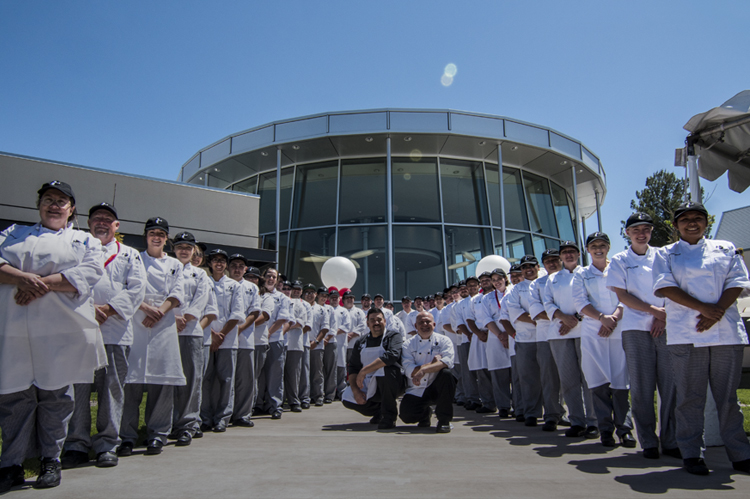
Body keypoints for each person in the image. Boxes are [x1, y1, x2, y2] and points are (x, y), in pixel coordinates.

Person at [0, 181, 105, 491]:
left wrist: (35, 284)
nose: (55, 205)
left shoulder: (83, 240)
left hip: (60, 332)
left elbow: (88, 273)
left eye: (62, 201)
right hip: (15, 331)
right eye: (48, 199)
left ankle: (50, 460)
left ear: (71, 209)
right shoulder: (12, 233)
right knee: (14, 399)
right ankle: (11, 464)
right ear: (39, 204)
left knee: (56, 399)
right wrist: (22, 278)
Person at [653, 202, 750, 475]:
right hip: (686, 334)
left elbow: (737, 281)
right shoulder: (666, 253)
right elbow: (665, 286)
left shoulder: (726, 248)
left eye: (698, 218)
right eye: (685, 220)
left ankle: (740, 454)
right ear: (676, 226)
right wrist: (704, 309)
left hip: (725, 333)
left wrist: (715, 312)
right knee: (689, 398)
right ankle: (692, 454)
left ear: (707, 222)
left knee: (727, 399)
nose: (692, 223)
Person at [62, 203, 146, 469]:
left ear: (116, 226)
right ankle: (76, 443)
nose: (102, 222)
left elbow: (136, 289)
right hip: (81, 330)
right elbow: (66, 281)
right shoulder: (76, 247)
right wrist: (88, 311)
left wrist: (108, 310)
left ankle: (107, 444)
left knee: (111, 391)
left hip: (115, 331)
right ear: (88, 222)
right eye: (97, 218)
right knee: (78, 390)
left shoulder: (129, 254)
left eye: (108, 219)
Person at [608, 213, 679, 459]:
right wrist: (652, 311)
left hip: (666, 326)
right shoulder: (619, 260)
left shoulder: (664, 255)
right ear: (627, 233)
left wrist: (663, 316)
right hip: (636, 328)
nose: (641, 233)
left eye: (646, 229)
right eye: (636, 229)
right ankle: (648, 440)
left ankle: (670, 440)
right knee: (641, 387)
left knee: (670, 386)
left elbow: (675, 287)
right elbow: (622, 296)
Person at [120, 217, 186, 457]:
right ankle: (126, 436)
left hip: (164, 324)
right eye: (152, 233)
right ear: (145, 236)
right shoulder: (134, 258)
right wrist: (146, 309)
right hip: (137, 321)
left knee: (162, 383)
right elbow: (127, 286)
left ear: (166, 238)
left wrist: (160, 312)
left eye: (160, 233)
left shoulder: (175, 264)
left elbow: (178, 293)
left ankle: (157, 434)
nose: (156, 237)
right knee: (131, 383)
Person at [573, 232, 634, 448]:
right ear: (588, 250)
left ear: (608, 247)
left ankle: (625, 429)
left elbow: (626, 296)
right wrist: (601, 319)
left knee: (620, 382)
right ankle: (605, 430)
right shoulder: (581, 275)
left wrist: (614, 318)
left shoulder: (618, 268)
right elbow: (580, 303)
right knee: (598, 383)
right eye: (593, 246)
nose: (598, 249)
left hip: (618, 330)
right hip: (593, 332)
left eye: (602, 245)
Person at [543, 240, 598, 439]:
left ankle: (594, 422)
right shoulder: (553, 278)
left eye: (572, 251)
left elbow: (593, 299)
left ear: (578, 254)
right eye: (565, 252)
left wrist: (575, 319)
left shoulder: (587, 273)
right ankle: (577, 421)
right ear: (561, 256)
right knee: (568, 380)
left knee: (589, 379)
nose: (568, 255)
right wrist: (563, 317)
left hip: (585, 331)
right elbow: (547, 302)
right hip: (560, 333)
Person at [171, 233, 216, 445]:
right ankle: (168, 423)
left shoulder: (200, 275)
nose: (184, 251)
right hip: (166, 330)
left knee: (191, 381)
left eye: (188, 248)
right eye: (180, 246)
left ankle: (188, 424)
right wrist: (172, 317)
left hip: (190, 332)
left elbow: (201, 302)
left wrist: (186, 318)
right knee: (167, 381)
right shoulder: (167, 268)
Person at [200, 249, 245, 432]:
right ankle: (204, 417)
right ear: (210, 263)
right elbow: (201, 310)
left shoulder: (235, 286)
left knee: (226, 379)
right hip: (206, 337)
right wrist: (212, 335)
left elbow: (236, 314)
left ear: (225, 265)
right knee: (205, 379)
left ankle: (222, 418)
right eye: (215, 260)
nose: (219, 264)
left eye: (222, 261)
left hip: (228, 339)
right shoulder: (204, 282)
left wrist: (221, 336)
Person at [342, 308, 403, 429]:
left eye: (379, 320)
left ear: (385, 321)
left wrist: (364, 371)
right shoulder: (361, 341)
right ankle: (378, 411)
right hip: (368, 383)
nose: (376, 323)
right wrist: (356, 391)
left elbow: (392, 356)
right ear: (367, 323)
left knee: (386, 370)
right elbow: (353, 367)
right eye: (372, 320)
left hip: (391, 382)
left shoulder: (393, 336)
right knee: (347, 397)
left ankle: (389, 417)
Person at [528, 250, 566, 431]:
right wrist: (564, 319)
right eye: (548, 261)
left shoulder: (572, 277)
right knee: (549, 377)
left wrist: (569, 319)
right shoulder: (536, 284)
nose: (552, 263)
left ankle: (574, 415)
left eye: (555, 260)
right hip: (545, 336)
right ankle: (551, 414)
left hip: (572, 333)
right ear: (542, 265)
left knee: (572, 378)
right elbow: (536, 312)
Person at [399, 311, 456, 433]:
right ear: (415, 326)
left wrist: (423, 370)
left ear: (434, 324)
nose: (425, 324)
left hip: (437, 387)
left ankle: (444, 420)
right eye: (421, 322)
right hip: (417, 388)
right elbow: (410, 369)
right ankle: (425, 414)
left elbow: (447, 362)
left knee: (447, 374)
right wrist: (432, 364)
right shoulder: (408, 345)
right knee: (406, 416)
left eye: (428, 322)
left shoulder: (444, 341)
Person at [254, 268, 292, 419]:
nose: (270, 279)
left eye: (273, 277)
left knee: (275, 375)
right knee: (259, 375)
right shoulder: (258, 294)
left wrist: (268, 333)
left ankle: (275, 405)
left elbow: (282, 319)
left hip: (275, 340)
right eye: (268, 276)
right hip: (256, 341)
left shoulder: (283, 298)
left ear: (277, 280)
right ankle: (257, 404)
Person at [475, 269, 513, 418]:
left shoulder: (512, 292)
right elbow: (486, 319)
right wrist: (501, 336)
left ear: (505, 279)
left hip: (514, 333)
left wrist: (509, 334)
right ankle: (503, 406)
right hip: (495, 336)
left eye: (499, 279)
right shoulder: (487, 298)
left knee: (517, 373)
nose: (497, 282)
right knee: (499, 373)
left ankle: (519, 405)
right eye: (494, 279)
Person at [229, 254, 260, 427]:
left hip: (245, 338)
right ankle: (222, 414)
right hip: (223, 339)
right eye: (234, 265)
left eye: (241, 266)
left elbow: (254, 312)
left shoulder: (251, 287)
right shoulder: (222, 284)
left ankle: (242, 414)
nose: (237, 268)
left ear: (245, 269)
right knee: (224, 379)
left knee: (244, 379)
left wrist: (238, 329)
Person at [466, 273, 497, 414]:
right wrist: (478, 334)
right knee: (482, 372)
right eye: (482, 280)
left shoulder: (499, 295)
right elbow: (469, 319)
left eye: (487, 280)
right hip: (481, 336)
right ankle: (488, 403)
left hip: (497, 335)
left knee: (500, 371)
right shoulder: (475, 300)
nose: (485, 282)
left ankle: (505, 404)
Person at [284, 280, 308, 412]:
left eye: (289, 288)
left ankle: (294, 401)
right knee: (277, 374)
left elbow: (300, 322)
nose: (288, 290)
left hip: (294, 344)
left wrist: (283, 327)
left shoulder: (299, 305)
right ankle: (279, 401)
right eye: (286, 288)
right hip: (280, 342)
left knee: (294, 375)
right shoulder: (280, 301)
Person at [308, 287, 331, 406]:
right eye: (308, 293)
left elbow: (325, 328)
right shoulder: (303, 306)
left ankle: (318, 396)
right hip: (302, 345)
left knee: (317, 372)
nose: (310, 295)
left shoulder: (322, 310)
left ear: (315, 295)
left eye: (312, 293)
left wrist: (316, 342)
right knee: (303, 373)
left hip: (316, 345)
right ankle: (305, 397)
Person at [329, 288, 352, 399]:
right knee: (329, 368)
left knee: (341, 367)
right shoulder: (327, 309)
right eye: (332, 298)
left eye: (336, 297)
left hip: (341, 343)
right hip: (328, 343)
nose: (334, 299)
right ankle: (330, 392)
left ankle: (341, 391)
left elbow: (346, 326)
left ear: (339, 299)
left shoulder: (344, 311)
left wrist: (332, 333)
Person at [343, 290, 367, 363]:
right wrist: (344, 336)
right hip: (341, 344)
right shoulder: (340, 311)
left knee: (354, 367)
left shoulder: (359, 312)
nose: (349, 299)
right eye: (347, 298)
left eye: (351, 298)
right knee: (341, 368)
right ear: (343, 300)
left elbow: (362, 325)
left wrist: (350, 335)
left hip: (354, 344)